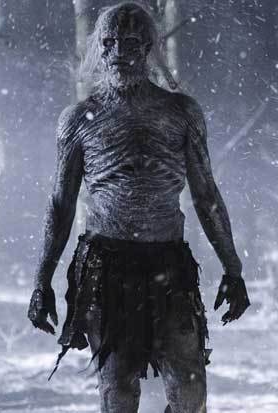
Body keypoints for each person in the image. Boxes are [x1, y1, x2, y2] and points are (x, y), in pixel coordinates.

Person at [27, 3, 249, 412]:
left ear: (147, 47)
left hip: (168, 264)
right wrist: (42, 282)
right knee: (118, 391)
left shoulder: (181, 113)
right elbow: (61, 204)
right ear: (99, 48)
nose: (118, 53)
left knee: (189, 390)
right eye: (109, 42)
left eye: (129, 42)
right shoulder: (78, 120)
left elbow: (207, 197)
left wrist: (233, 269)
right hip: (105, 269)